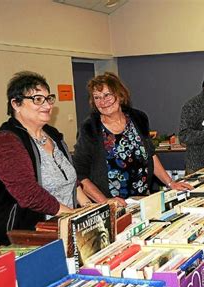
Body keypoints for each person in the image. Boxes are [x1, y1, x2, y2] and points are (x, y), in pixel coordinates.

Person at [0, 71, 88, 246]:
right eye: (38, 99)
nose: (47, 105)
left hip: (66, 229)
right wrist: (72, 216)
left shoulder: (53, 135)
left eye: (48, 99)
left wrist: (89, 208)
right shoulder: (6, 141)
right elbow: (28, 193)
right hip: (30, 236)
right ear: (16, 104)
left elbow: (70, 180)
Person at [73, 72, 192, 207]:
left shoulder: (138, 118)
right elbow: (80, 174)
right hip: (112, 204)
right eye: (97, 97)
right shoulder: (89, 127)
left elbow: (150, 155)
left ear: (120, 95)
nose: (103, 101)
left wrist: (171, 183)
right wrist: (105, 203)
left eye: (107, 95)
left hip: (142, 200)